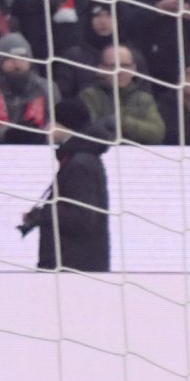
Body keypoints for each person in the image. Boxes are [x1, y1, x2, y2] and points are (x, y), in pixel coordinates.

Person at [19, 97, 110, 271]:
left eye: (51, 121)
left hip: (73, 267)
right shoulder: (81, 158)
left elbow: (82, 218)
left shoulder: (80, 164)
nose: (46, 127)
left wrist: (43, 214)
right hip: (73, 264)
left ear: (64, 124)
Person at [78, 42, 167, 147]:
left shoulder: (144, 99)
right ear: (101, 68)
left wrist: (120, 122)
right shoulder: (89, 96)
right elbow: (88, 130)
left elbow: (157, 133)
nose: (119, 71)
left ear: (134, 69)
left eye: (125, 66)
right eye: (112, 66)